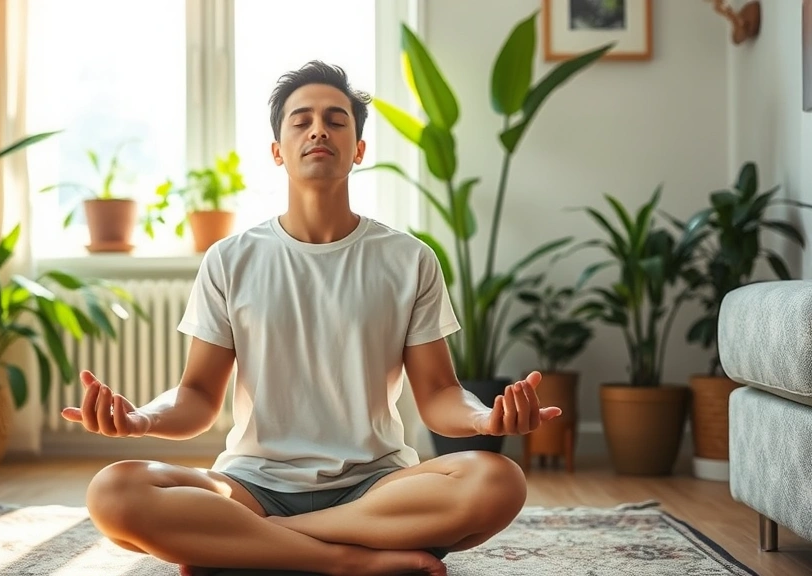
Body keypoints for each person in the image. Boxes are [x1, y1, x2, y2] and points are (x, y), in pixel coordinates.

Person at [61, 61, 562, 576]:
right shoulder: (230, 259)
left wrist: (484, 418)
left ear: (359, 150)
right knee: (114, 492)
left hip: (376, 486)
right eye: (300, 120)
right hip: (251, 485)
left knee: (499, 482)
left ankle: (244, 546)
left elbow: (437, 394)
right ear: (277, 151)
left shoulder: (409, 259)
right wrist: (142, 418)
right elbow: (197, 398)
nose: (318, 128)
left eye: (335, 119)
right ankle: (349, 561)